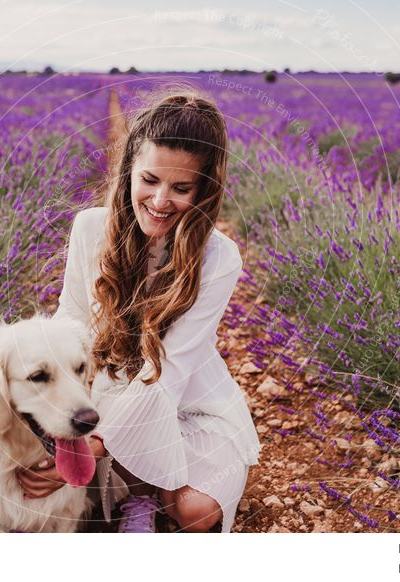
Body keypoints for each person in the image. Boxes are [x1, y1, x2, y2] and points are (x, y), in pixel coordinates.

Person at [17, 85, 261, 533]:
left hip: (185, 400)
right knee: (34, 486)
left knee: (196, 512)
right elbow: (70, 318)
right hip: (106, 387)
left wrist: (99, 443)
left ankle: (141, 493)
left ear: (204, 189)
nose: (161, 200)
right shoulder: (90, 227)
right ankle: (137, 493)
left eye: (182, 187)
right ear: (129, 169)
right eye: (149, 180)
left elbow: (169, 370)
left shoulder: (219, 257)